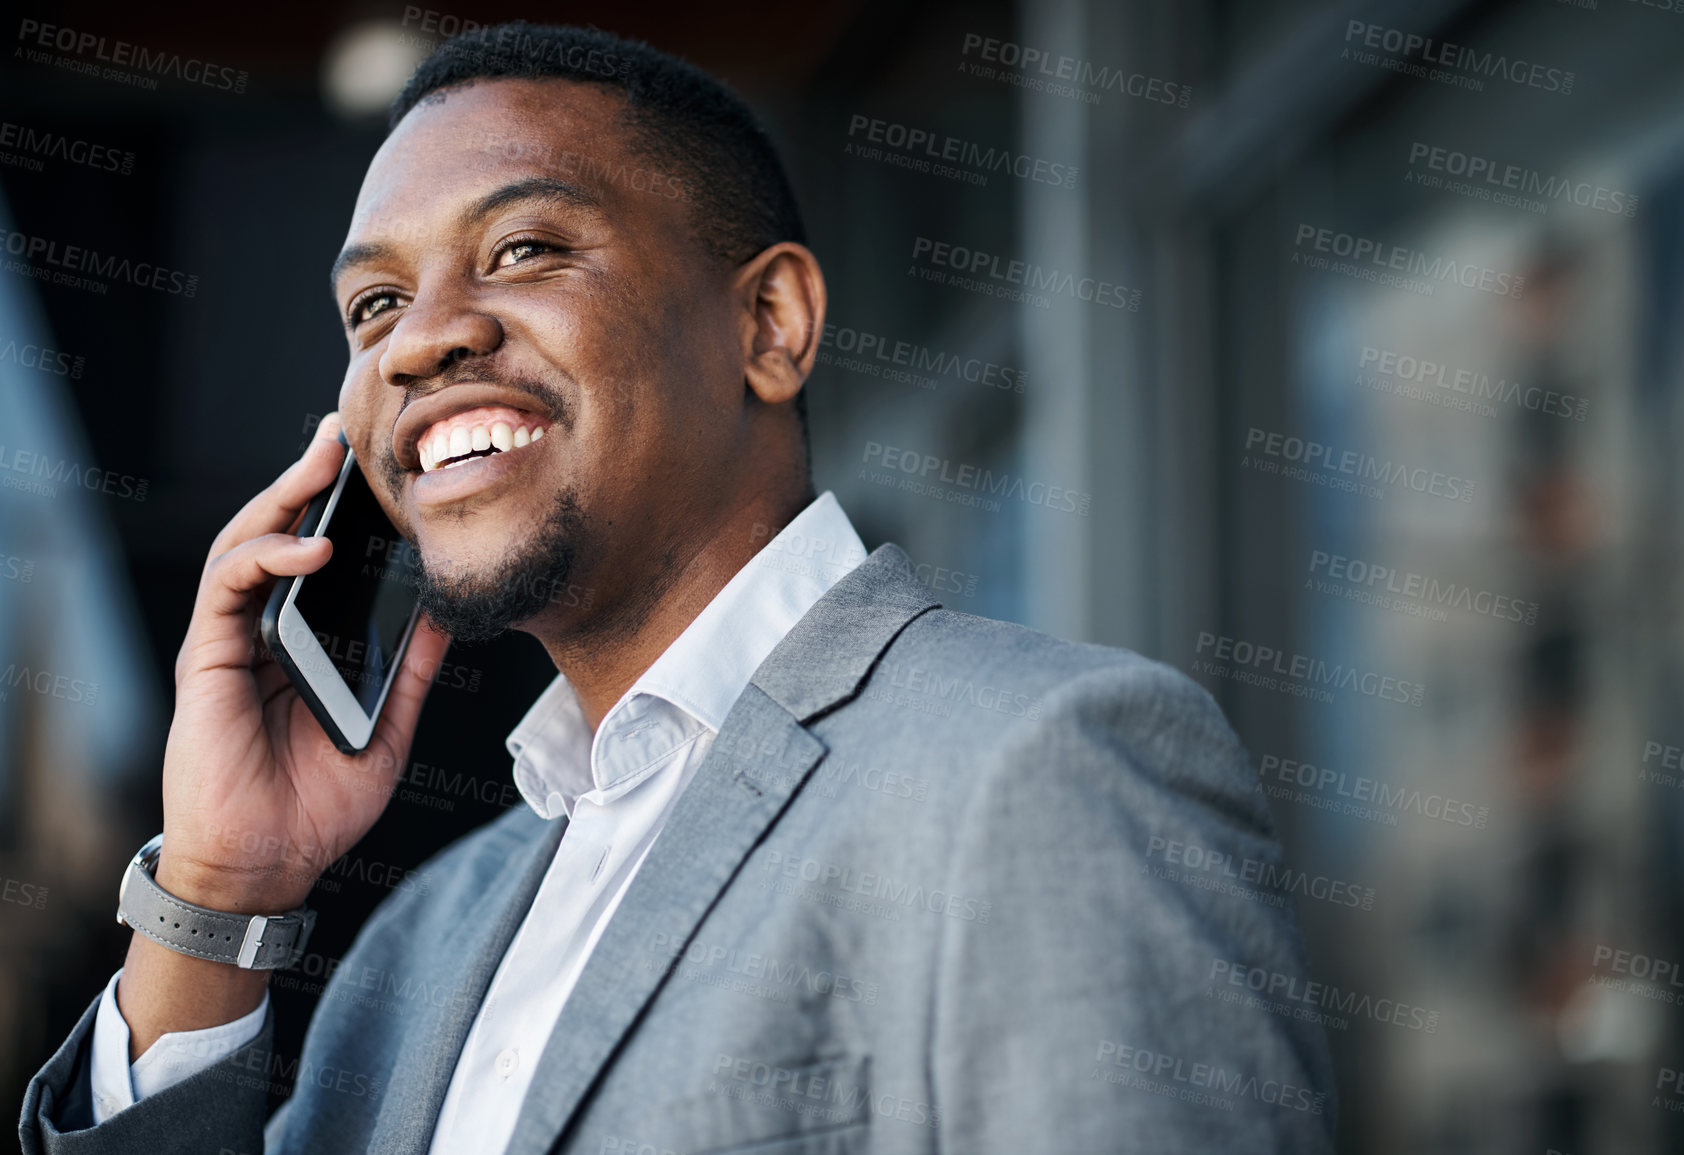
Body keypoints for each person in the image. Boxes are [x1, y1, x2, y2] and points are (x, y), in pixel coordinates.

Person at [21, 22, 1334, 1155]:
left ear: (770, 326)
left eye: (526, 249)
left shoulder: (1040, 769)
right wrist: (210, 899)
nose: (420, 337)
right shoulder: (418, 947)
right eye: (373, 307)